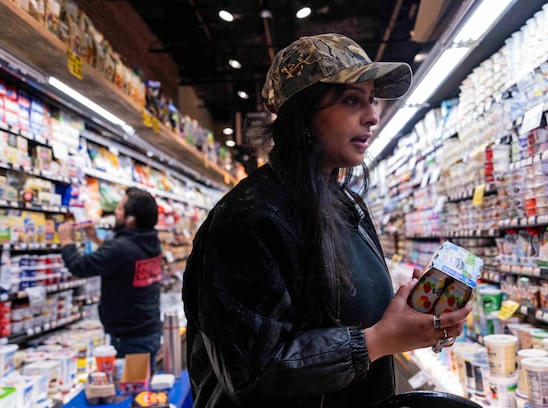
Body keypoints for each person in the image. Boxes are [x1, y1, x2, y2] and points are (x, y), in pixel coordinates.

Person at [182, 33, 473, 408]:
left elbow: (346, 313)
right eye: (352, 100)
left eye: (372, 100)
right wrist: (382, 338)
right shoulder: (249, 218)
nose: (372, 116)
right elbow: (252, 373)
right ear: (302, 115)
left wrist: (412, 317)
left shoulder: (346, 203)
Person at [58, 187, 163, 371]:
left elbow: (80, 266)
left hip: (129, 337)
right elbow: (126, 259)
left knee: (132, 390)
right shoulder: (151, 241)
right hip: (149, 329)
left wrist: (66, 241)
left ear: (131, 220)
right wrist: (97, 241)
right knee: (145, 388)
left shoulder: (120, 249)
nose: (115, 211)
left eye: (120, 208)